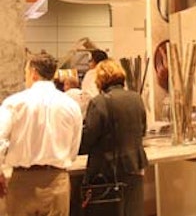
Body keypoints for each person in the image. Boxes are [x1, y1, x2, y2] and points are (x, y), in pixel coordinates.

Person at [0, 52, 82, 216]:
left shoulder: (14, 103)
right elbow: (73, 150)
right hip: (57, 180)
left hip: (22, 182)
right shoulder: (71, 105)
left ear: (33, 72)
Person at [80, 59, 148, 216]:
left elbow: (87, 140)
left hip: (107, 172)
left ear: (100, 79)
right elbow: (142, 130)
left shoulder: (99, 103)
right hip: (134, 167)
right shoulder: (136, 98)